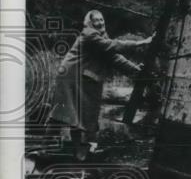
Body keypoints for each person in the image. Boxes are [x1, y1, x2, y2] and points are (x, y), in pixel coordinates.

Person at [47, 10, 151, 160]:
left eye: (101, 20)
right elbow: (113, 46)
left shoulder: (101, 36)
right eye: (96, 20)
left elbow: (114, 58)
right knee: (62, 113)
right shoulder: (90, 34)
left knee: (76, 114)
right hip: (70, 76)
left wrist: (135, 70)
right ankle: (47, 149)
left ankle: (78, 152)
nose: (100, 23)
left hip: (78, 77)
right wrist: (141, 42)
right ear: (89, 23)